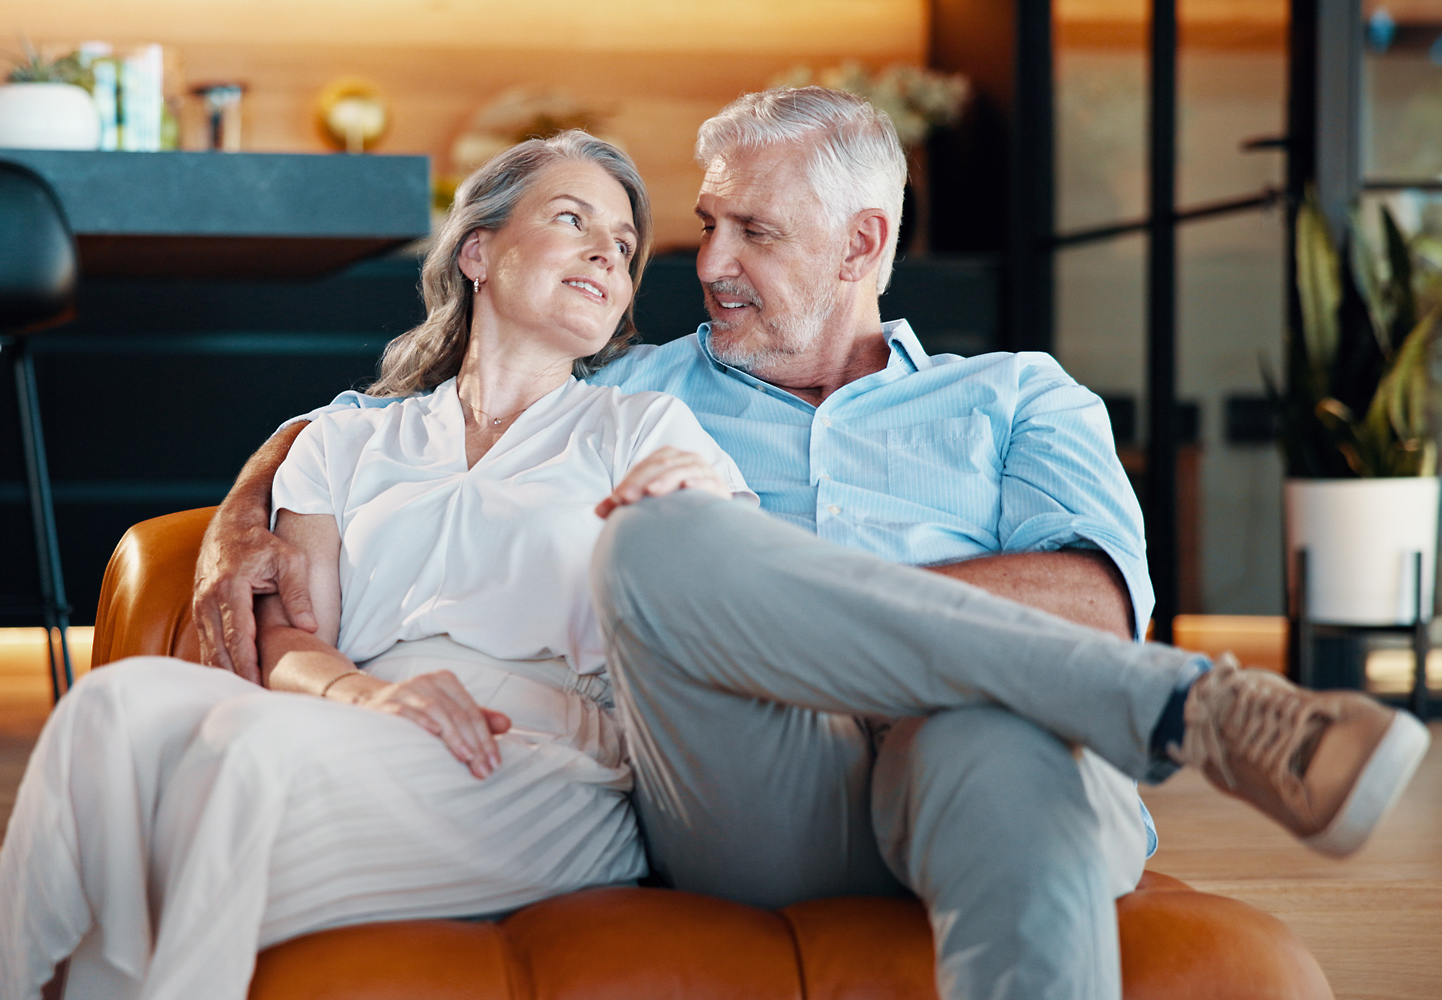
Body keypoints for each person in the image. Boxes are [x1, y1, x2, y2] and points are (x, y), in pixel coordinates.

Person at [194, 89, 1430, 1000]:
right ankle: (1199, 714)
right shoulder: (639, 392)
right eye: (707, 225)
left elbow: (1089, 611)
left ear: (864, 246)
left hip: (986, 757)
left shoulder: (1018, 397)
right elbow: (377, 422)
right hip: (753, 789)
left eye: (758, 235)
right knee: (656, 547)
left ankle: (1178, 715)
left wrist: (806, 617)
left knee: (993, 728)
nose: (708, 266)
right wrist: (237, 522)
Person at [0, 131, 751, 1000]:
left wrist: (696, 523)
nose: (608, 250)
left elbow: (728, 586)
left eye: (624, 244)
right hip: (355, 711)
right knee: (108, 709)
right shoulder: (345, 437)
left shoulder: (642, 429)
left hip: (540, 755)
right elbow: (294, 640)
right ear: (477, 252)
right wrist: (368, 696)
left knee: (237, 764)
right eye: (574, 219)